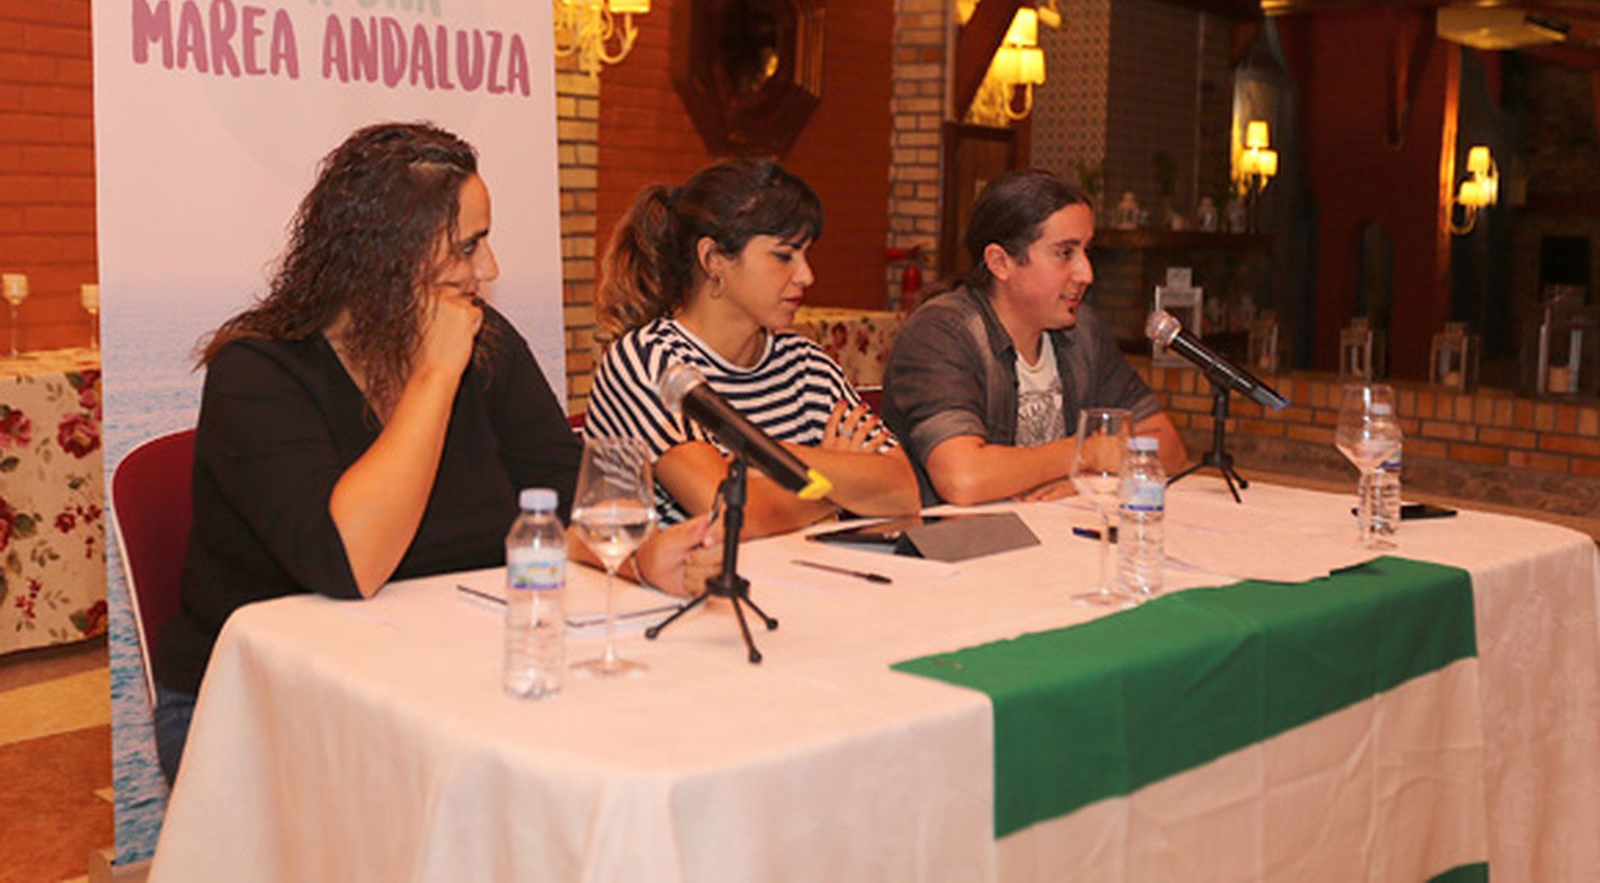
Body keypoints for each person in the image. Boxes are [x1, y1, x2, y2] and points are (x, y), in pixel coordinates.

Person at [152, 122, 715, 784]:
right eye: (468, 246)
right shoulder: (258, 372)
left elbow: (567, 499)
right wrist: (435, 375)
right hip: (258, 701)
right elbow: (351, 561)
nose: (491, 268)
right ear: (387, 257)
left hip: (446, 674)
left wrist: (642, 554)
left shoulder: (487, 344)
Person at [584, 158, 920, 537]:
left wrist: (756, 465)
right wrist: (841, 480)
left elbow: (903, 491)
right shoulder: (649, 363)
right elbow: (734, 515)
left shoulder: (807, 364)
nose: (806, 275)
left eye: (806, 254)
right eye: (783, 256)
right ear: (713, 259)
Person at [883, 169, 1187, 505]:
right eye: (1065, 253)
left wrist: (1088, 474)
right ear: (1000, 262)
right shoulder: (942, 333)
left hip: (1051, 537)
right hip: (951, 547)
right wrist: (1084, 453)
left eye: (1087, 251)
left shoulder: (1081, 331)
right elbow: (963, 478)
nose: (1087, 273)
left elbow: (1168, 446)